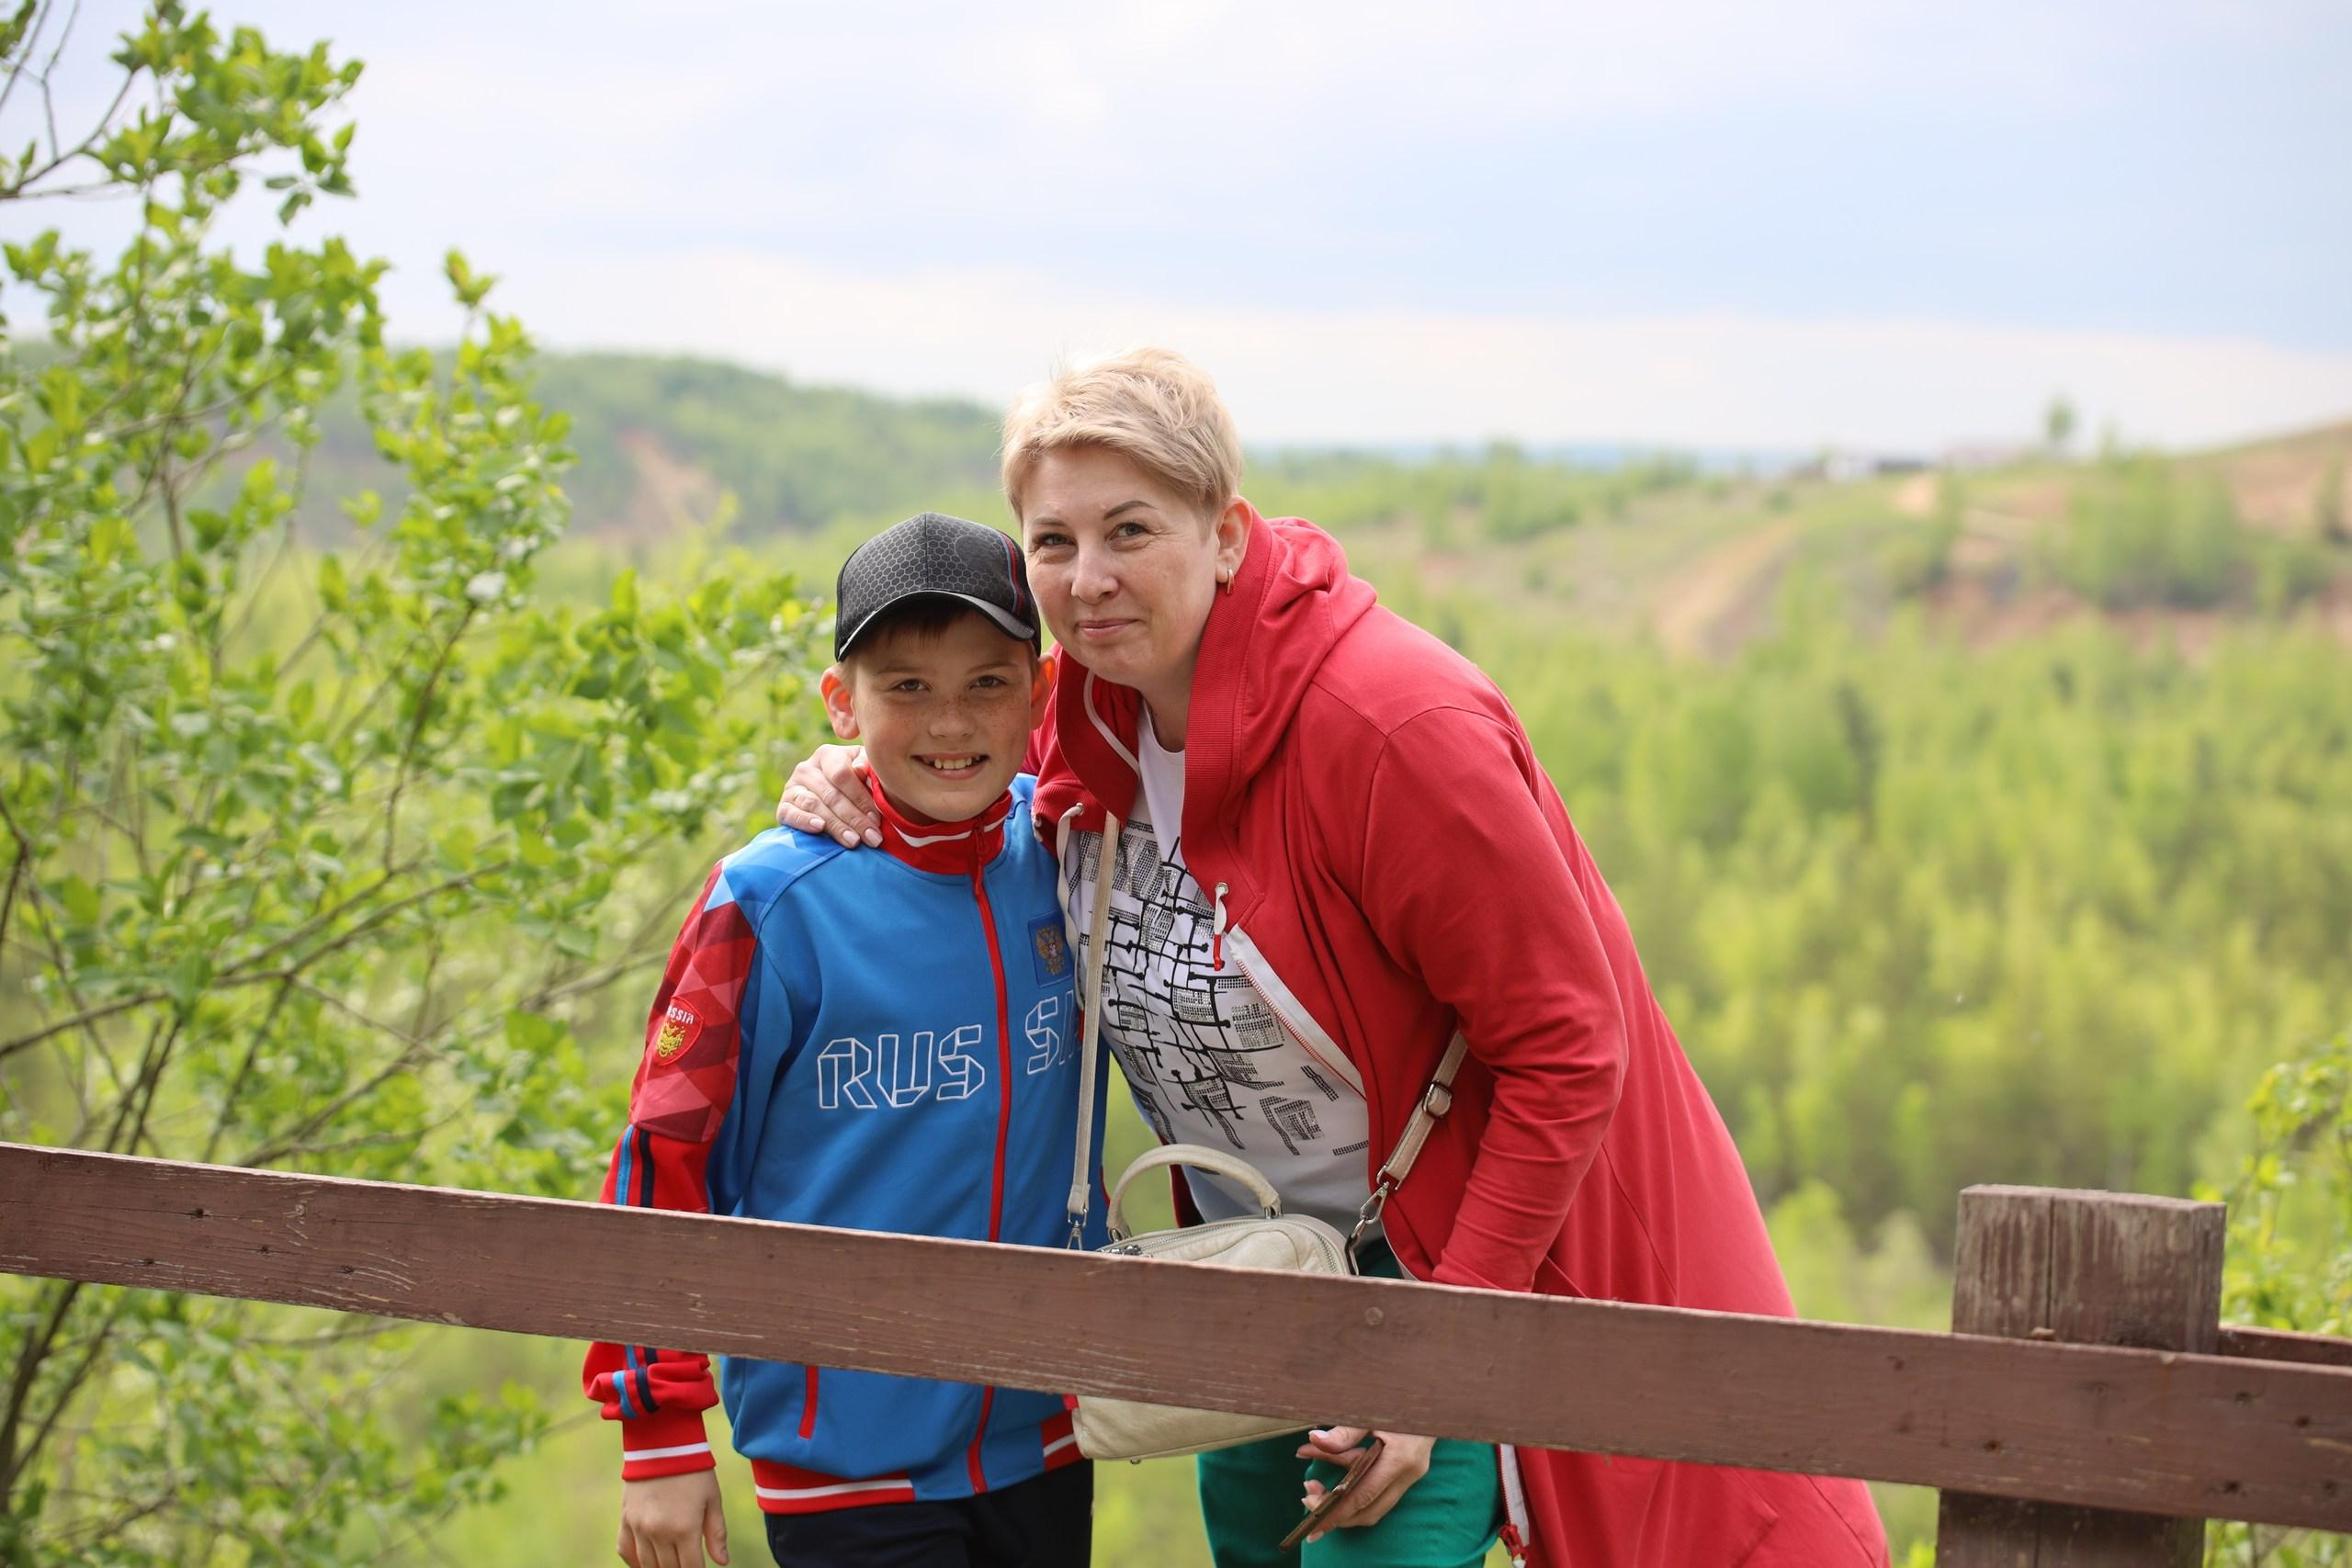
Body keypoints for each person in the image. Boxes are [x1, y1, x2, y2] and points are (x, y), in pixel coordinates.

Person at [778, 349, 1891, 1568]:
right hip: (1254, 1273)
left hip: (1434, 1269)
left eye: (1129, 528)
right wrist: (851, 780)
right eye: (1052, 542)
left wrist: (1437, 1356)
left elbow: (1571, 1046)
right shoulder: (1088, 706)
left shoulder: (1394, 729)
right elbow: (961, 752)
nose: (1087, 580)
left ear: (1226, 535)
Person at [586, 511, 1106, 1568]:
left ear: (1039, 694)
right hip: (843, 1461)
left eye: (986, 684)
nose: (947, 721)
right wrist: (658, 1431)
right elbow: (663, 1162)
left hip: (1049, 1435)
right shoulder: (772, 902)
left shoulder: (1069, 851)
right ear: (841, 701)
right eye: (905, 686)